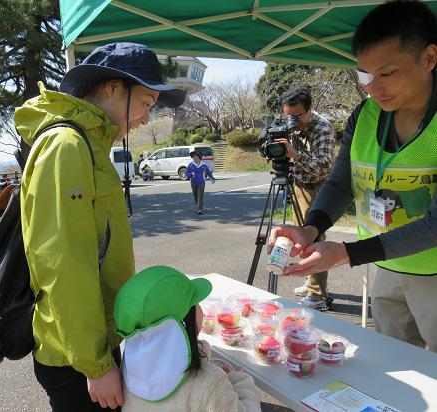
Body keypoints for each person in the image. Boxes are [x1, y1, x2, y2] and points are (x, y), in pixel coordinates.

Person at [15, 42, 186, 411]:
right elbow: (63, 264)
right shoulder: (67, 145)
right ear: (112, 89)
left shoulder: (91, 145)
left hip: (94, 343)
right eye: (145, 104)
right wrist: (96, 364)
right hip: (76, 357)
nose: (145, 118)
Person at [269, 1, 437, 351]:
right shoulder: (365, 114)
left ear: (429, 58)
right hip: (388, 264)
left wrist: (346, 253)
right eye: (365, 75)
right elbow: (342, 182)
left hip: (433, 273)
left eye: (387, 73)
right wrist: (310, 227)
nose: (373, 87)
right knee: (393, 362)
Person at [114, 265, 262, 412]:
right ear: (182, 324)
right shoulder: (209, 383)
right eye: (195, 303)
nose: (199, 307)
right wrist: (241, 381)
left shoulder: (128, 371)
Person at [274, 85, 336, 310]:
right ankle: (310, 279)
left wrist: (295, 155)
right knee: (300, 235)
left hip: (319, 186)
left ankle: (317, 296)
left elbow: (323, 166)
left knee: (314, 237)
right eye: (287, 116)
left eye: (297, 117)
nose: (292, 122)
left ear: (309, 109)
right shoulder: (288, 121)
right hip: (298, 184)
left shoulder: (322, 128)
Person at [186, 150, 215, 215]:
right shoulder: (191, 165)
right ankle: (198, 206)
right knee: (195, 195)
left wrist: (212, 178)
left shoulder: (204, 165)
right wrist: (191, 174)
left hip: (201, 182)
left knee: (200, 195)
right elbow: (187, 173)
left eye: (196, 156)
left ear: (199, 157)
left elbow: (208, 172)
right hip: (193, 182)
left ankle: (199, 209)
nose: (194, 158)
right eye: (193, 157)